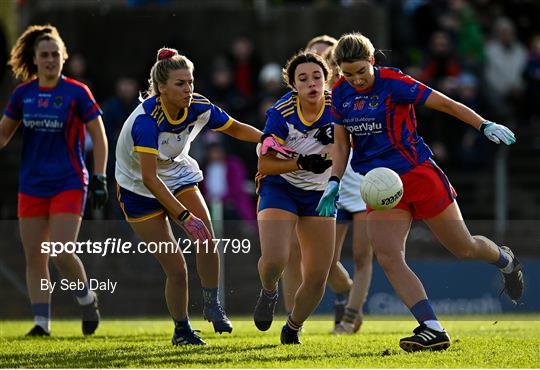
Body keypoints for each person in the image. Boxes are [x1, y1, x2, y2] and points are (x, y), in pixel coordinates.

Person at [317, 32, 524, 352]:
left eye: (361, 71)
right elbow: (342, 144)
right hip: (378, 185)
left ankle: (505, 261)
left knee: (464, 247)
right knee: (388, 256)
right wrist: (333, 182)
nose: (356, 79)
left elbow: (446, 103)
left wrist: (484, 125)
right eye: (348, 73)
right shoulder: (340, 94)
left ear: (372, 61)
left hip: (418, 174)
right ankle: (431, 327)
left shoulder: (394, 82)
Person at [115, 47, 286, 346]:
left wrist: (266, 138)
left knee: (206, 236)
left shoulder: (197, 106)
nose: (188, 89)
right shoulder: (146, 121)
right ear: (162, 88)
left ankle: (212, 304)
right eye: (180, 84)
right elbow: (149, 178)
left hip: (176, 172)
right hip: (138, 188)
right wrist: (183, 216)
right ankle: (182, 330)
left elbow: (234, 127)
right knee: (176, 268)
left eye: (191, 82)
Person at [0, 25, 108, 336]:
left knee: (62, 250)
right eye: (44, 55)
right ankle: (41, 324)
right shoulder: (23, 94)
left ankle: (87, 298)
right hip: (32, 184)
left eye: (55, 55)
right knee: (35, 255)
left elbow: (99, 137)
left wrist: (100, 177)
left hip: (69, 181)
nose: (50, 60)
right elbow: (4, 133)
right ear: (34, 59)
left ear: (63, 58)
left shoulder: (76, 92)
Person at [253, 51, 334, 345]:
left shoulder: (340, 110)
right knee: (275, 260)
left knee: (316, 278)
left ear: (326, 80)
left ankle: (293, 327)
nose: (311, 83)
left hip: (320, 194)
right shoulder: (281, 113)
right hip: (281, 187)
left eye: (317, 77)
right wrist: (302, 163)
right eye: (303, 79)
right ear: (294, 86)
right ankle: (269, 291)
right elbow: (264, 164)